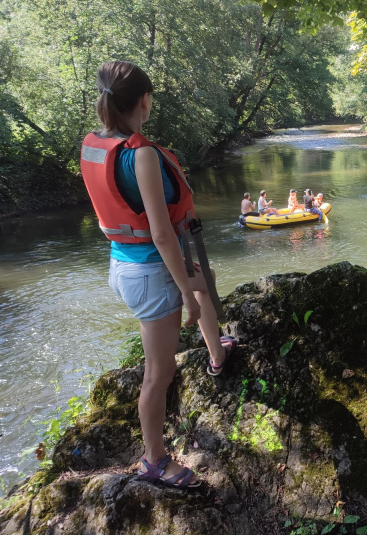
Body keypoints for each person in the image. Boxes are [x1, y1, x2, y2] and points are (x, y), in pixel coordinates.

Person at [80, 61, 237, 490]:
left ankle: (217, 353)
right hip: (150, 272)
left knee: (208, 277)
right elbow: (163, 235)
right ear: (145, 101)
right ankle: (154, 461)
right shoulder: (142, 154)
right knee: (158, 373)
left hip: (123, 264)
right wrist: (184, 292)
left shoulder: (96, 144)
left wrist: (192, 281)